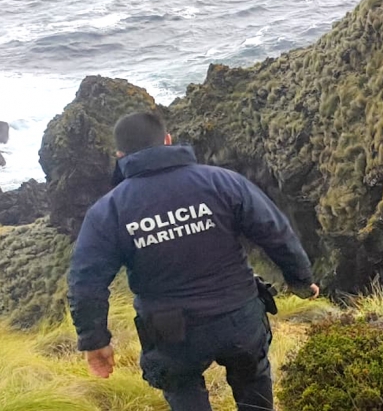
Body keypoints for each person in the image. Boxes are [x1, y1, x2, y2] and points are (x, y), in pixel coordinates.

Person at [67, 112, 319, 411]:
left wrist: (95, 340)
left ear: (120, 156)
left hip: (169, 331)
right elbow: (275, 231)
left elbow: (86, 281)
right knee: (253, 383)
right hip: (238, 315)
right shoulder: (222, 182)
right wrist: (300, 279)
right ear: (168, 140)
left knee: (183, 389)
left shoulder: (109, 211)